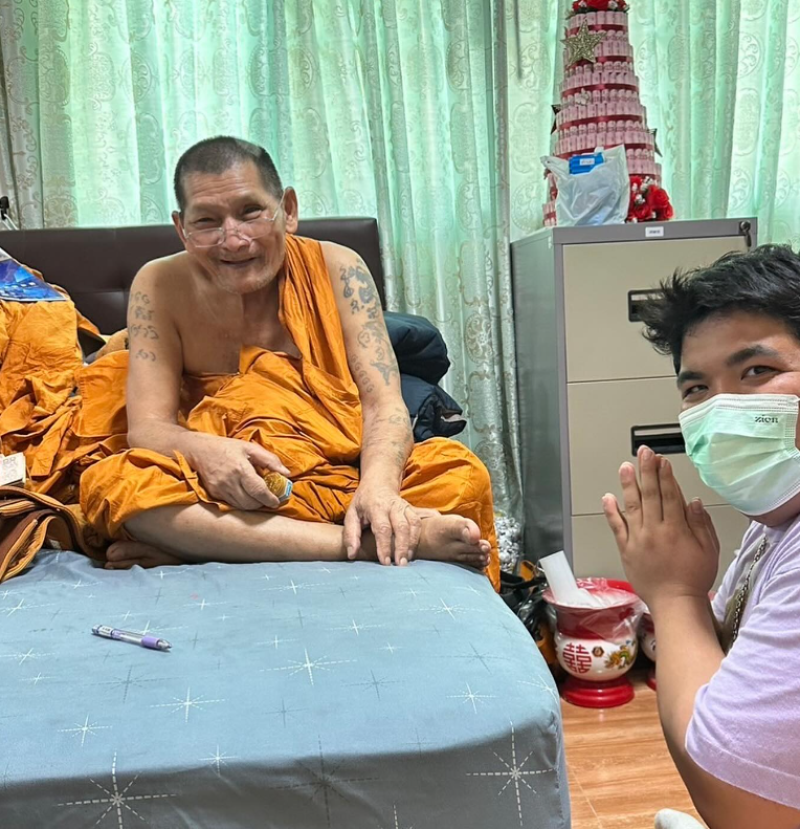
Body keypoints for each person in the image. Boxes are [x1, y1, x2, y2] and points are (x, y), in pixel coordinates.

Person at [76, 136, 499, 588]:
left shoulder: (339, 269)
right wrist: (206, 451)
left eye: (250, 212)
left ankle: (210, 544)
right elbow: (148, 428)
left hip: (339, 473)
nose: (233, 240)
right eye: (207, 221)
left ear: (288, 209)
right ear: (182, 228)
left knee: (459, 474)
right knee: (114, 483)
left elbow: (384, 405)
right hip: (227, 481)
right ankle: (355, 544)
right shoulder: (159, 284)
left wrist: (377, 490)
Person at [602, 245, 800, 828]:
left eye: (757, 372)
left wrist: (674, 594)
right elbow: (727, 659)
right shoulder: (775, 521)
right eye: (697, 390)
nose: (722, 408)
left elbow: (741, 806)